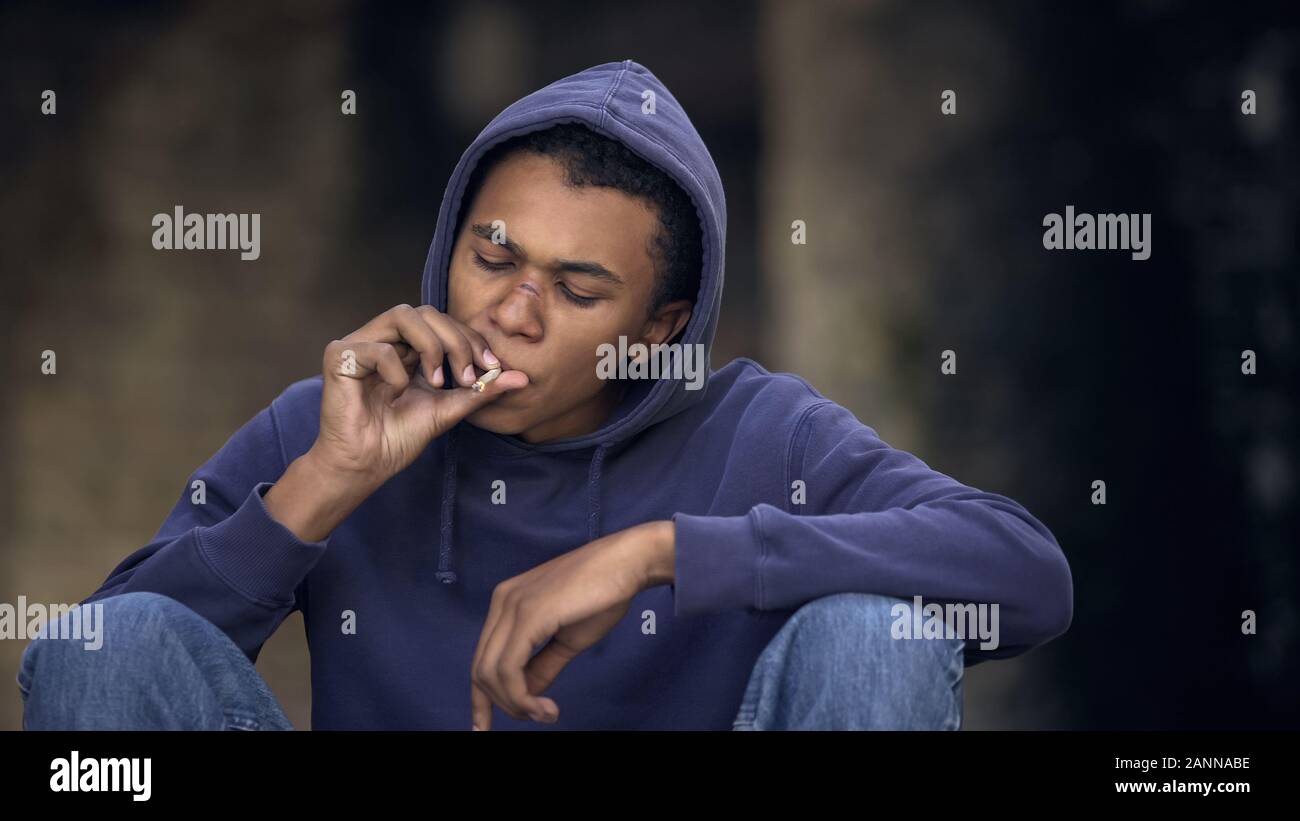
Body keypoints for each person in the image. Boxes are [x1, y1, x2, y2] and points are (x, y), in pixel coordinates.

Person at [18, 59, 1072, 731]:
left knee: (871, 632)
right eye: (493, 256)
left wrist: (662, 550)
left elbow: (1024, 572)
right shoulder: (334, 418)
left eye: (576, 289)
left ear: (660, 326)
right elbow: (93, 677)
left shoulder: (764, 431)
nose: (512, 312)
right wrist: (321, 486)